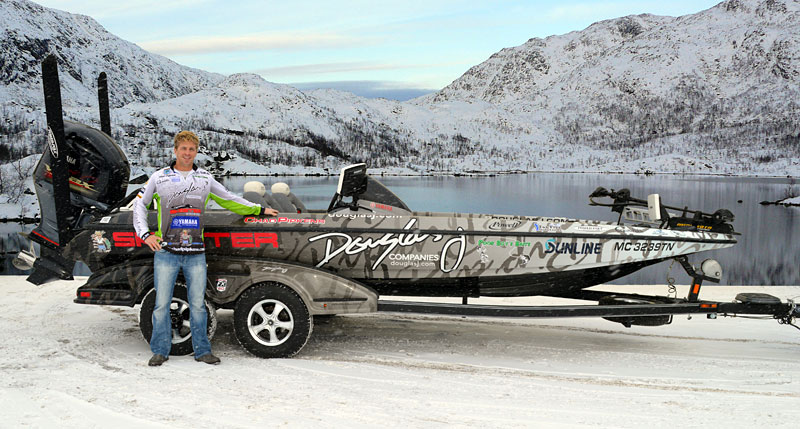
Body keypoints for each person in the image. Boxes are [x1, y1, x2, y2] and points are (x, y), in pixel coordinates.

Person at [133, 131, 278, 366]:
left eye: (192, 149)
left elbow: (229, 199)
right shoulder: (159, 178)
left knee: (198, 304)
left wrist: (258, 210)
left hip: (195, 253)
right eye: (183, 149)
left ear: (196, 151)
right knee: (161, 304)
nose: (187, 153)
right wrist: (146, 235)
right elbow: (139, 205)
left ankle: (202, 350)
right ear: (175, 151)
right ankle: (160, 350)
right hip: (166, 252)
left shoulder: (204, 178)